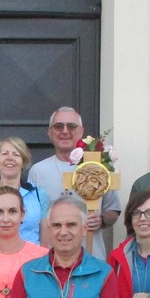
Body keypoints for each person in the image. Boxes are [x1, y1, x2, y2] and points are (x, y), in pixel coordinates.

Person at [27, 107, 122, 259]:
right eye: (58, 126)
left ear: (81, 132)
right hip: (51, 259)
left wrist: (102, 220)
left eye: (71, 126)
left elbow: (113, 209)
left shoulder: (99, 167)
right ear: (50, 133)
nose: (65, 131)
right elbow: (30, 218)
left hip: (91, 255)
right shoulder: (37, 171)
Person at [0, 137, 49, 255]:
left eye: (16, 154)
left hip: (32, 262)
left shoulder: (39, 196)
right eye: (5, 154)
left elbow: (46, 244)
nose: (10, 158)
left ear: (23, 161)